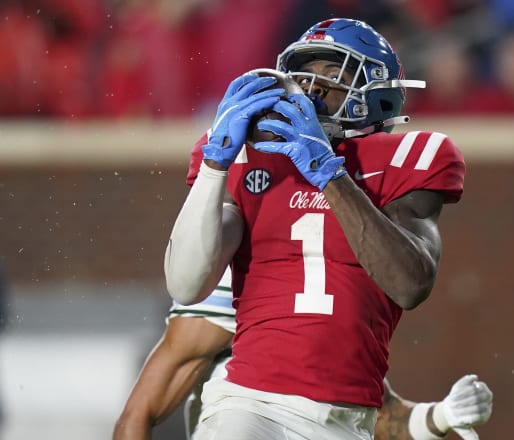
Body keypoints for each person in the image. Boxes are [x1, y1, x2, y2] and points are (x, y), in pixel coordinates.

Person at [164, 18, 468, 439]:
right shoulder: (255, 159)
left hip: (350, 420)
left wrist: (330, 173)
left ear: (376, 95)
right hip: (248, 405)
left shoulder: (408, 156)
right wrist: (215, 167)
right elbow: (186, 283)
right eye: (305, 75)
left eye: (334, 75)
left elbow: (410, 283)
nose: (314, 88)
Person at [113, 270, 493, 440]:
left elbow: (374, 418)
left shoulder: (331, 276)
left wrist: (443, 414)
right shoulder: (237, 276)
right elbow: (138, 415)